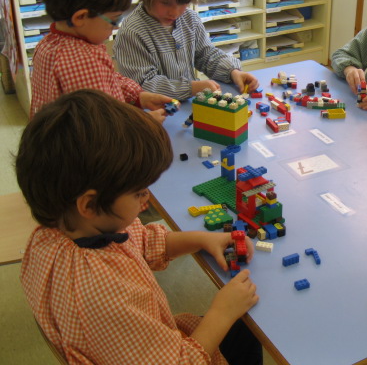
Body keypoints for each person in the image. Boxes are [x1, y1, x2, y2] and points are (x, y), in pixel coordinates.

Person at [17, 89, 262, 365]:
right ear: (89, 204)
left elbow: (143, 242)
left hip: (144, 343)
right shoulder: (103, 294)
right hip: (172, 355)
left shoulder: (63, 232)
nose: (146, 201)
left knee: (245, 331)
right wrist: (222, 312)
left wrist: (202, 239)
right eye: (138, 193)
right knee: (246, 328)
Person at [29, 0, 173, 121]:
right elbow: (104, 124)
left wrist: (138, 96)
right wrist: (145, 123)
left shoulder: (48, 43)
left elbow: (108, 78)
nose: (116, 27)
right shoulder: (83, 62)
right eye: (113, 20)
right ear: (80, 17)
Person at [114, 0, 259, 100]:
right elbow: (143, 84)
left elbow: (206, 55)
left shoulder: (189, 18)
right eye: (166, 3)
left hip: (188, 106)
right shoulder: (132, 33)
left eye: (183, 2)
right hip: (154, 111)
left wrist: (232, 72)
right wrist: (191, 88)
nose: (175, 12)